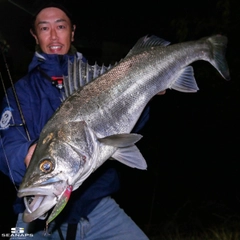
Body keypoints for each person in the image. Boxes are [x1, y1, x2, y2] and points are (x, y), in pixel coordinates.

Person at [0, 2, 164, 239]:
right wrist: (26, 156)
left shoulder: (98, 76)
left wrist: (146, 94)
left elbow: (132, 127)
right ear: (34, 35)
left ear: (72, 31)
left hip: (97, 207)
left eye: (61, 26)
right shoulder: (19, 93)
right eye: (45, 28)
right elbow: (6, 146)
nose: (54, 35)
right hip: (38, 217)